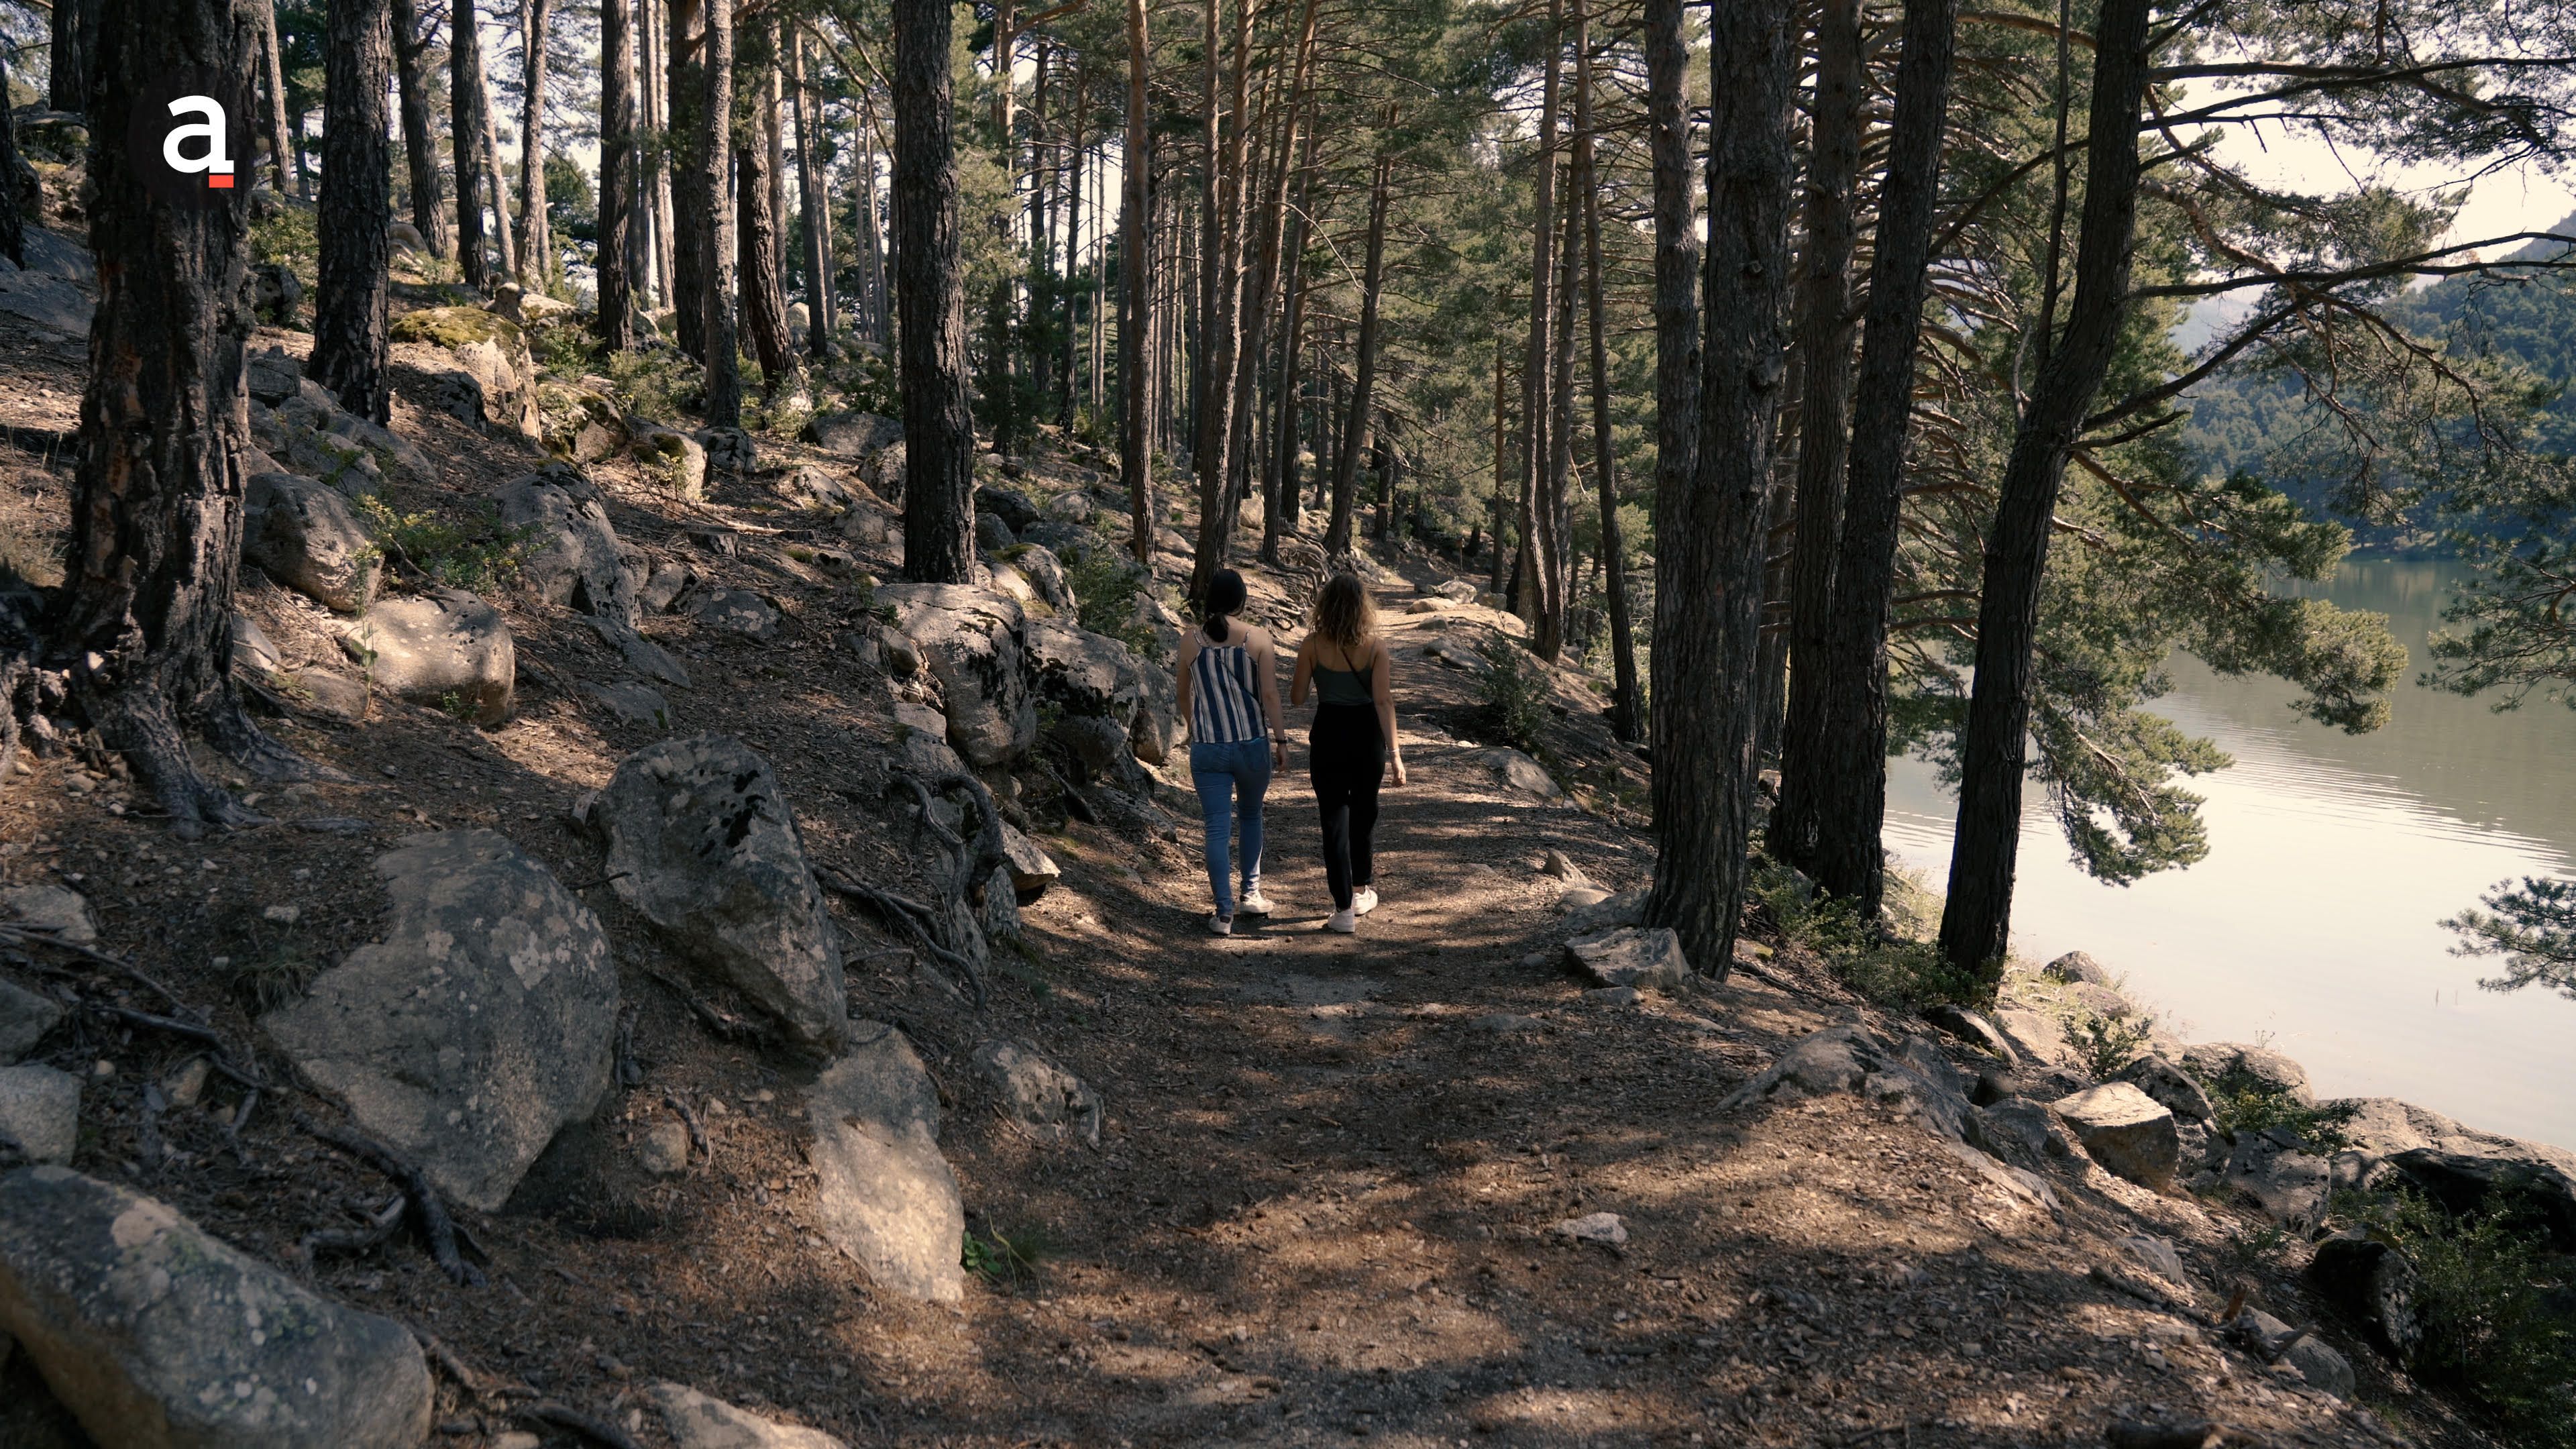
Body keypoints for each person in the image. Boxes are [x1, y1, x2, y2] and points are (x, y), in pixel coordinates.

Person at [1290, 572, 1407, 934]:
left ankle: (1342, 911)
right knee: (1364, 811)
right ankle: (1360, 891)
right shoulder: (1376, 647)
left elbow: (1297, 698)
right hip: (1366, 735)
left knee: (1333, 818)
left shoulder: (1311, 645)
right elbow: (1384, 700)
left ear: (1325, 605)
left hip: (1328, 733)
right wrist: (1395, 754)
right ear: (1363, 607)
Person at [1175, 568, 1285, 935]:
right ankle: (1250, 895)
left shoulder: (1189, 642)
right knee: (1251, 816)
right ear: (1242, 602)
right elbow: (1270, 696)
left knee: (1216, 829)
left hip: (1208, 750)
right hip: (1252, 745)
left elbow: (1182, 697)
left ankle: (1223, 914)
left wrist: (1197, 727)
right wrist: (1281, 740)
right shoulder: (1258, 639)